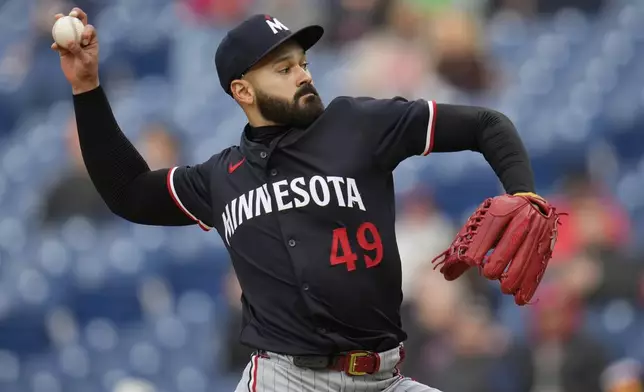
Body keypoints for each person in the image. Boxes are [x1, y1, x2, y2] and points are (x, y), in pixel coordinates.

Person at [52, 7, 556, 391]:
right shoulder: (219, 178)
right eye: (284, 68)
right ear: (243, 90)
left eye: (303, 63)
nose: (304, 75)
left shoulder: (358, 125)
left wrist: (523, 191)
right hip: (284, 379)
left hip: (382, 378)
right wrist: (88, 87)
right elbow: (129, 193)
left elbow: (488, 124)